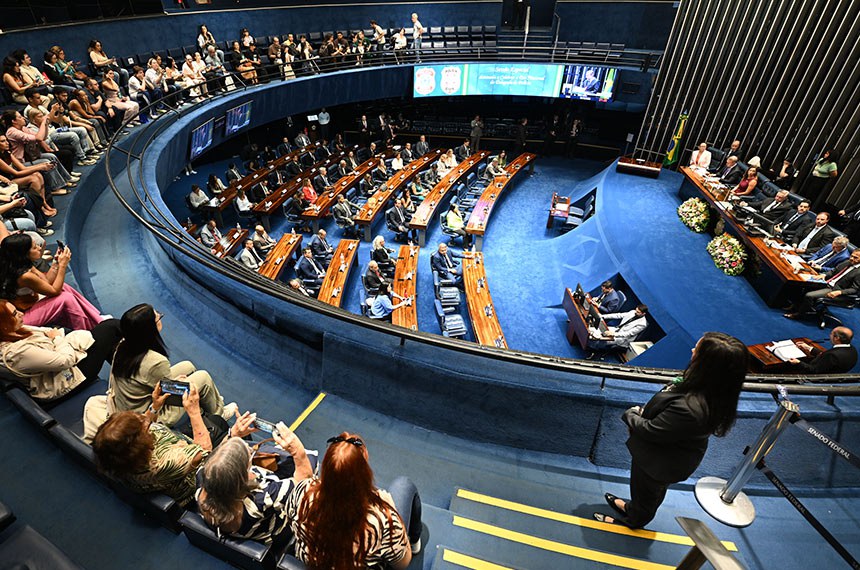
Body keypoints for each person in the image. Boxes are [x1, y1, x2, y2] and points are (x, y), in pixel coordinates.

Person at [593, 332, 747, 528]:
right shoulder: (711, 387)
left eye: (697, 350)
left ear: (707, 364)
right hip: (665, 455)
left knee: (647, 493)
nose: (692, 350)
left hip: (660, 463)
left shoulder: (691, 408)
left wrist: (631, 414)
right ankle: (633, 507)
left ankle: (634, 520)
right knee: (645, 491)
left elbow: (650, 430)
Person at [93, 384, 254, 506]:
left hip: (179, 443)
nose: (144, 419)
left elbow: (142, 423)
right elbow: (203, 452)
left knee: (216, 421)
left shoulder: (117, 454)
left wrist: (154, 406)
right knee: (236, 436)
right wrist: (194, 412)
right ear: (140, 444)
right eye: (142, 424)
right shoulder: (163, 463)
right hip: (198, 475)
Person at [284, 432, 421, 568]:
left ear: (325, 470)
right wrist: (391, 510)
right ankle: (414, 542)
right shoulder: (383, 521)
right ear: (364, 474)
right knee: (404, 484)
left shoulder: (302, 494)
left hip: (313, 564)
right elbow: (402, 564)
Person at [109, 303, 233, 426]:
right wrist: (175, 384)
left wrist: (173, 383)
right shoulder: (155, 362)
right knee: (203, 378)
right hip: (150, 414)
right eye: (157, 317)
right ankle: (219, 417)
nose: (159, 315)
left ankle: (209, 404)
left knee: (187, 366)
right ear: (150, 328)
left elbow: (152, 382)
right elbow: (167, 395)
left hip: (130, 405)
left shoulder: (123, 346)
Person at [196, 423, 314, 544]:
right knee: (311, 461)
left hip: (230, 526)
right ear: (241, 478)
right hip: (273, 533)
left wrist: (232, 435)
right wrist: (297, 451)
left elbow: (216, 463)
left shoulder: (202, 480)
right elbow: (304, 481)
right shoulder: (262, 498)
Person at [0, 300, 121, 400]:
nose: (21, 313)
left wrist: (56, 338)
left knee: (107, 340)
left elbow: (48, 331)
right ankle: (131, 374)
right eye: (15, 314)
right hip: (66, 381)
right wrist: (57, 339)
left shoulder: (13, 331)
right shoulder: (15, 353)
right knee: (110, 328)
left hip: (61, 365)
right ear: (3, 324)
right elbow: (65, 360)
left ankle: (128, 376)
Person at [0, 234, 104, 329]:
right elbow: (54, 291)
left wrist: (56, 263)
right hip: (18, 318)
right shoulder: (24, 276)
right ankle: (89, 330)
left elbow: (46, 282)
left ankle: (96, 319)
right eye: (34, 248)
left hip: (26, 304)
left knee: (64, 287)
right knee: (65, 298)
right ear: (24, 253)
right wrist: (63, 265)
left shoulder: (20, 264)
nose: (40, 248)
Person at [785, 249, 860, 317]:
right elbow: (833, 271)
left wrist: (840, 292)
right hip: (826, 282)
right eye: (851, 256)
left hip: (834, 289)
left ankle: (800, 314)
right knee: (804, 285)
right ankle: (795, 306)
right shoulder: (847, 262)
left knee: (809, 295)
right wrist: (824, 275)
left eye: (855, 257)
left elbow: (854, 289)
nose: (852, 258)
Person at [787, 327, 857, 375]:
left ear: (836, 338)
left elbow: (814, 370)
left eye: (831, 333)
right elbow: (825, 357)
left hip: (814, 376)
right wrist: (809, 348)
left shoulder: (833, 355)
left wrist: (798, 362)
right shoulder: (852, 350)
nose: (830, 335)